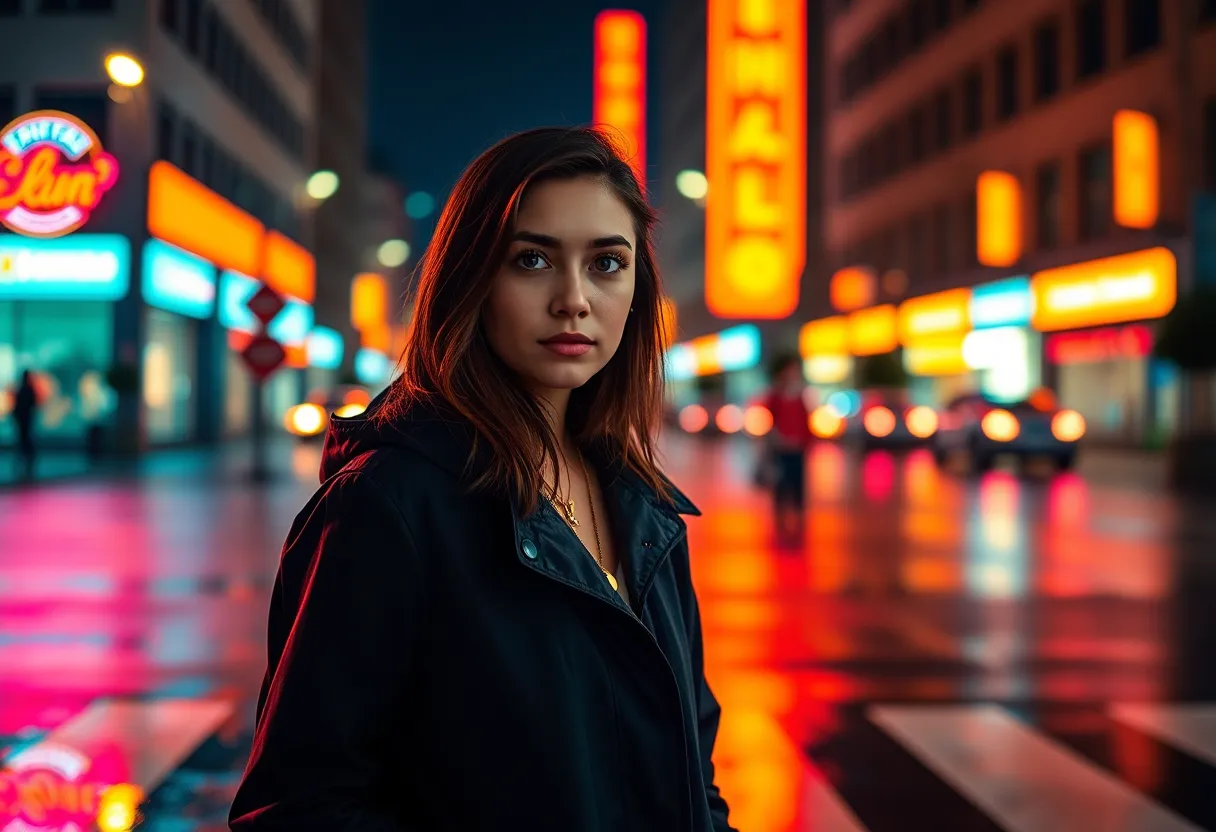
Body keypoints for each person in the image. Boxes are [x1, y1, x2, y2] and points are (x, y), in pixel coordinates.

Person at [228, 127, 735, 832]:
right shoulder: (388, 504)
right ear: (472, 279)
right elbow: (300, 807)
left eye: (606, 263)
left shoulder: (644, 505)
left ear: (637, 290)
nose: (574, 299)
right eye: (532, 259)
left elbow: (693, 777)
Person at [761, 353, 811, 538]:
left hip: (797, 449)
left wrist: (805, 442)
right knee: (781, 487)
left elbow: (805, 422)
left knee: (798, 486)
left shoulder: (800, 395)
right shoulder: (775, 396)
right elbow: (770, 421)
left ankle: (799, 522)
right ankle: (781, 523)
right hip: (780, 449)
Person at [12, 370, 38, 480]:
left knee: (24, 441)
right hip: (25, 420)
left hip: (23, 420)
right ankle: (27, 464)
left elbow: (18, 406)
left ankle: (26, 463)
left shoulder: (23, 390)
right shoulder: (27, 390)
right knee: (25, 441)